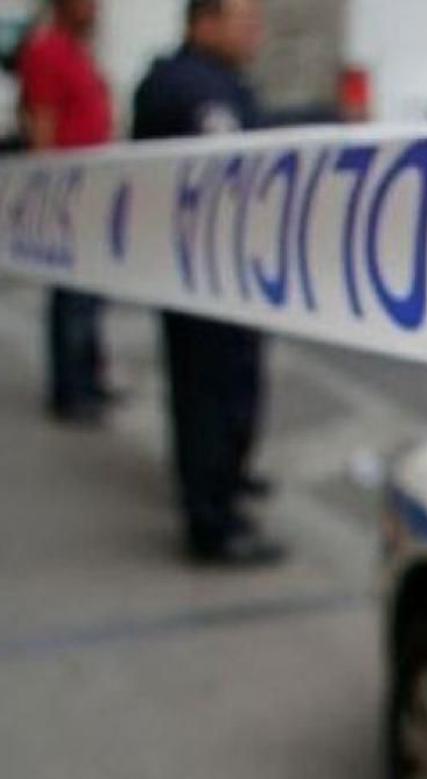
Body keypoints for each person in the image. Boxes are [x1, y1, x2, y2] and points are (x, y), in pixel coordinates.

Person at [133, 0, 285, 567]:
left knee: (231, 389)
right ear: (205, 23)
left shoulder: (217, 81)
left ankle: (225, 485)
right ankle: (212, 521)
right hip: (202, 277)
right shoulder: (189, 88)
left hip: (227, 275)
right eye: (244, 23)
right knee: (207, 395)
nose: (255, 35)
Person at [18, 0, 115, 424]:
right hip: (70, 196)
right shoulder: (48, 50)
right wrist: (48, 193)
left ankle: (89, 378)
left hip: (93, 194)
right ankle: (71, 389)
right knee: (72, 297)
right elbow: (42, 119)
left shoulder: (77, 50)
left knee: (90, 295)